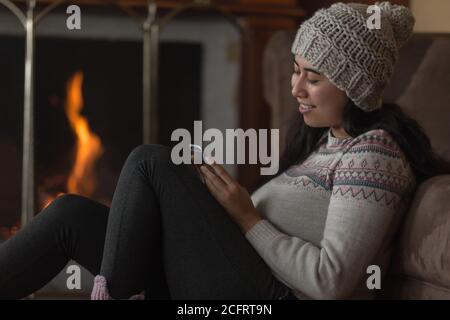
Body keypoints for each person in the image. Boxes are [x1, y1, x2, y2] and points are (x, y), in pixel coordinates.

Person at [0, 2, 447, 300]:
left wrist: (245, 217)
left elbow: (330, 281)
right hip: (230, 277)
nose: (295, 88)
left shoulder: (374, 155)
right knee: (70, 215)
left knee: (151, 161)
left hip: (262, 299)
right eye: (295, 71)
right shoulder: (326, 142)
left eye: (313, 78)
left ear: (353, 88)